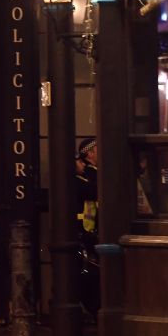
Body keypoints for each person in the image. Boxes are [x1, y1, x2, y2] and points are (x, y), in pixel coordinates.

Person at [76, 137, 100, 322]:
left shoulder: (93, 173)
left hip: (93, 233)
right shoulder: (86, 176)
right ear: (90, 153)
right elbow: (92, 192)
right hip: (86, 234)